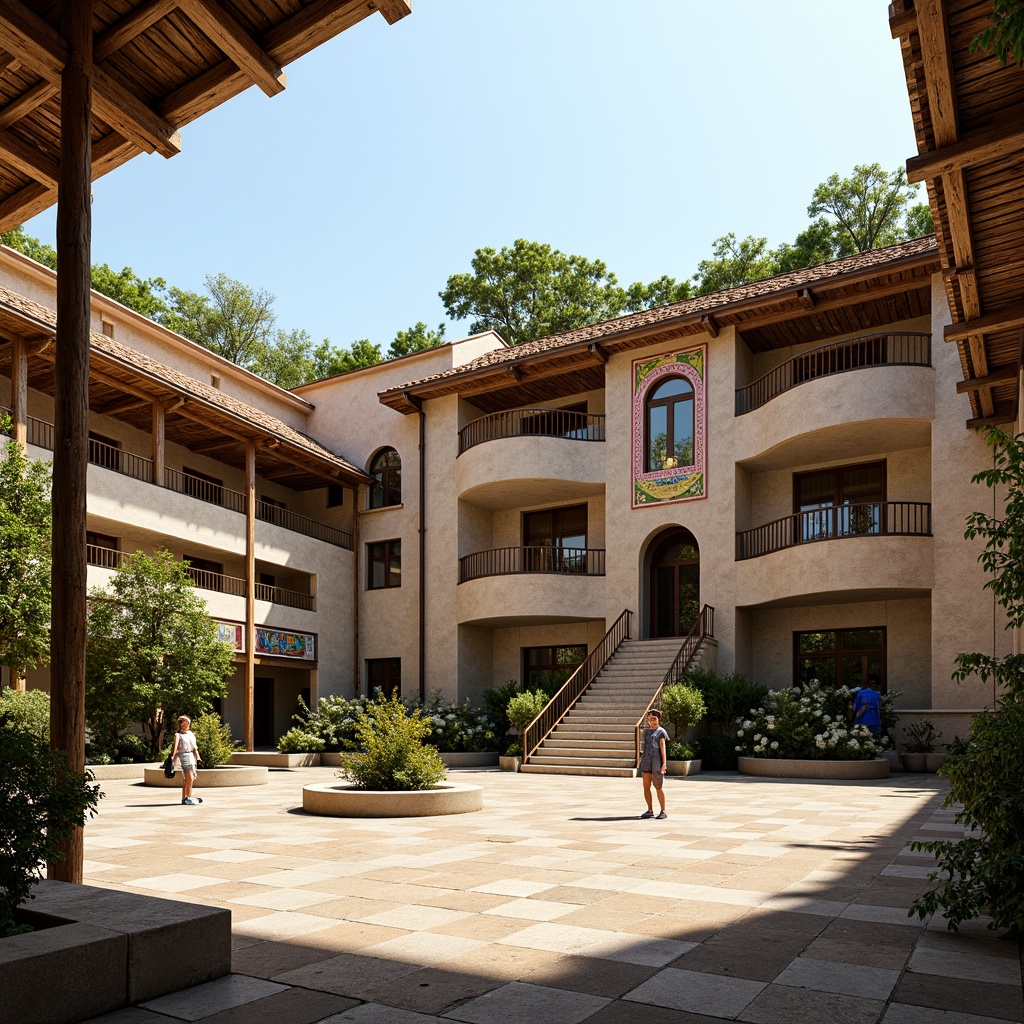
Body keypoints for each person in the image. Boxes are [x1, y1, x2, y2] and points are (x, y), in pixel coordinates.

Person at [639, 708, 669, 820]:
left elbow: (663, 748)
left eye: (654, 717)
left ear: (658, 719)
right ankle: (650, 809)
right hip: (646, 761)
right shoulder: (646, 732)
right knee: (646, 786)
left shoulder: (661, 731)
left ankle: (663, 810)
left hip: (657, 762)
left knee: (658, 786)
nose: (652, 719)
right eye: (650, 717)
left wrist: (664, 764)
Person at [171, 715, 203, 805]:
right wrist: (173, 757)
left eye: (187, 725)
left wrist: (198, 757)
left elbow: (194, 747)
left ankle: (185, 797)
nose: (185, 727)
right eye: (183, 725)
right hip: (183, 755)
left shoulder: (191, 734)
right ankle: (188, 797)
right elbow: (176, 747)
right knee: (189, 777)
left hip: (191, 756)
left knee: (189, 778)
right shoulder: (178, 735)